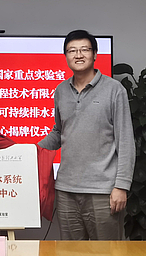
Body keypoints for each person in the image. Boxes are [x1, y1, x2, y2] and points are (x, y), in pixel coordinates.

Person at [38, 29, 135, 240]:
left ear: (95, 54)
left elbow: (126, 141)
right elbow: (59, 132)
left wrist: (121, 186)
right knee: (70, 255)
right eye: (72, 50)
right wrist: (30, 150)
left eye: (84, 49)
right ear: (66, 56)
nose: (78, 55)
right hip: (66, 191)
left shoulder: (114, 90)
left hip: (103, 191)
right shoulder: (61, 91)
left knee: (107, 255)